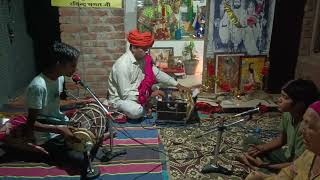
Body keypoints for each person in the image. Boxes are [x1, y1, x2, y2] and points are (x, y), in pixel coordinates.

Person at [3, 42, 90, 178]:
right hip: (46, 134)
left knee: (88, 129)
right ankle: (40, 153)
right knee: (80, 159)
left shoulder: (59, 78)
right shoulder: (38, 86)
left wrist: (80, 102)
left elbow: (54, 102)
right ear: (58, 63)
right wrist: (60, 130)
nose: (75, 69)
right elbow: (31, 124)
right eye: (72, 65)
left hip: (59, 123)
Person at [238, 79, 319, 174]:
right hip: (287, 157)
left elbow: (297, 165)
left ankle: (263, 169)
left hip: (296, 166)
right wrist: (261, 148)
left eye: (285, 98)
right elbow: (281, 140)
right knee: (250, 141)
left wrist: (263, 165)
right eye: (281, 95)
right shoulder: (287, 114)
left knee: (263, 173)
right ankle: (263, 167)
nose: (278, 100)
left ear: (299, 104)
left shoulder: (306, 129)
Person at [105, 29, 190, 120]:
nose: (147, 52)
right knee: (136, 111)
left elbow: (157, 73)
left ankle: (146, 105)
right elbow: (126, 95)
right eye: (144, 49)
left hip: (140, 94)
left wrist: (178, 85)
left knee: (163, 87)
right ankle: (120, 110)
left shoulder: (143, 59)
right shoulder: (122, 65)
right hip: (121, 100)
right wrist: (150, 96)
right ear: (134, 48)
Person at [245, 100, 320, 180]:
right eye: (304, 122)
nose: (302, 130)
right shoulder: (310, 154)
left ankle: (261, 167)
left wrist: (264, 166)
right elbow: (288, 173)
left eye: (310, 127)